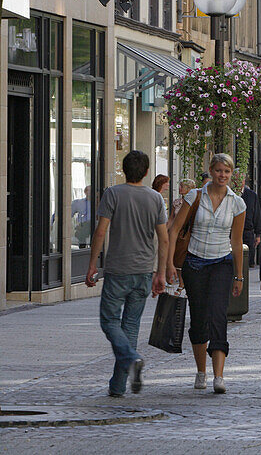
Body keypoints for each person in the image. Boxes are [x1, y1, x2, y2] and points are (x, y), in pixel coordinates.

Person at [84, 150, 168, 397]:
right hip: (143, 271)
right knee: (130, 326)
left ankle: (131, 358)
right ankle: (118, 385)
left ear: (123, 170)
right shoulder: (155, 198)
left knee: (109, 321)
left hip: (118, 269)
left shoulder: (113, 194)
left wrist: (92, 265)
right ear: (146, 172)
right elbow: (163, 240)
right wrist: (160, 273)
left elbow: (100, 232)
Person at [167, 153, 247, 395]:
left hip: (222, 263)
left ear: (232, 175)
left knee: (218, 315)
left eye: (227, 172)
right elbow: (175, 230)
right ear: (211, 171)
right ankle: (201, 371)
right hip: (194, 264)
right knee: (199, 317)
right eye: (219, 170)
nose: (223, 175)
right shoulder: (195, 196)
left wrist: (239, 275)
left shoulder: (237, 203)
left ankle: (219, 376)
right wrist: (170, 264)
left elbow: (236, 240)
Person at [241, 178, 261, 269]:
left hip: (247, 231)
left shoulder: (251, 195)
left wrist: (258, 234)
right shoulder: (228, 193)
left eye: (241, 179)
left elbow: (257, 214)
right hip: (231, 232)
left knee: (247, 261)